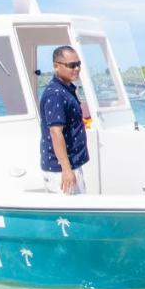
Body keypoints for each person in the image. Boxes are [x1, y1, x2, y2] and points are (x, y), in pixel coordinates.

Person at [39, 45, 89, 195]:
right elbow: (55, 132)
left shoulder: (66, 90)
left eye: (78, 64)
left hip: (71, 164)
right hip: (61, 170)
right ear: (56, 66)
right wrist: (66, 170)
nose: (77, 69)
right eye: (71, 65)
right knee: (71, 217)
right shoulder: (56, 94)